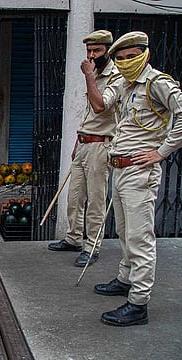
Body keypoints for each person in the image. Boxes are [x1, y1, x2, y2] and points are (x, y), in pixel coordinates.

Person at [83, 31, 182, 326]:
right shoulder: (125, 86)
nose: (126, 63)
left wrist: (162, 151)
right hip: (121, 169)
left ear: (146, 54)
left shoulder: (158, 83)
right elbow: (100, 105)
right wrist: (89, 76)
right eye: (121, 58)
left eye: (132, 56)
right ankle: (126, 279)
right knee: (125, 233)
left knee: (140, 239)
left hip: (140, 171)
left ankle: (138, 303)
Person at [48, 30, 119, 267]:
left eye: (97, 51)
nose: (91, 55)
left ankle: (92, 247)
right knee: (75, 196)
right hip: (85, 141)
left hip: (101, 145)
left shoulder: (115, 76)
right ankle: (73, 238)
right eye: (89, 51)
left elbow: (99, 106)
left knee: (96, 200)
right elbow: (89, 114)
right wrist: (78, 141)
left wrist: (89, 76)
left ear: (108, 50)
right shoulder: (96, 72)